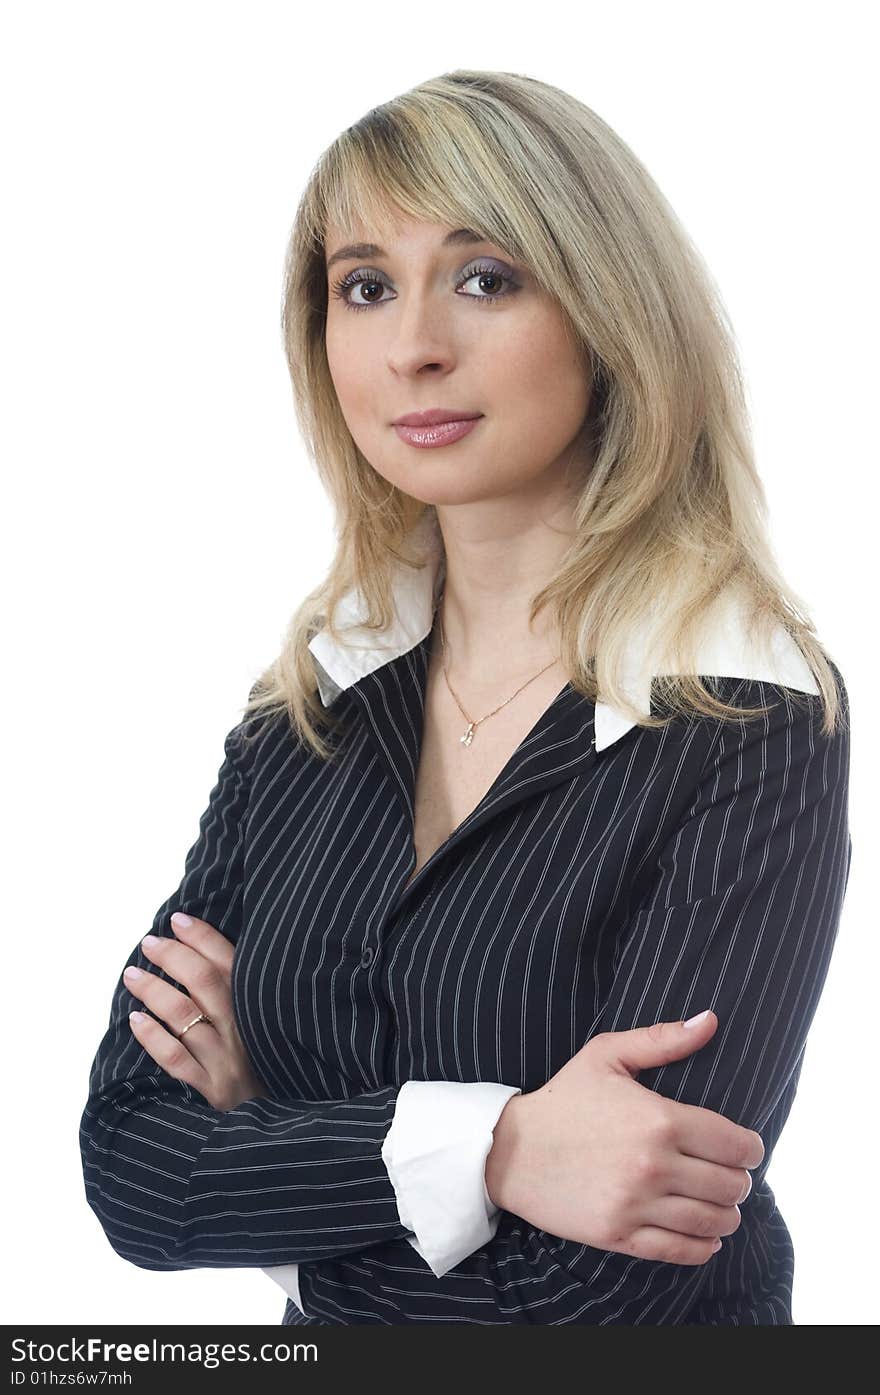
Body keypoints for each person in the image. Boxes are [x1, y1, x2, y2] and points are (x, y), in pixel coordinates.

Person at [79, 68, 852, 1326]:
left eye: (485, 277)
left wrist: (273, 1158)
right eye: (364, 286)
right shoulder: (308, 708)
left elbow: (590, 1304)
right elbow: (136, 1178)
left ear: (610, 310)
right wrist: (495, 1153)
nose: (412, 346)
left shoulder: (745, 711)